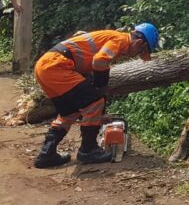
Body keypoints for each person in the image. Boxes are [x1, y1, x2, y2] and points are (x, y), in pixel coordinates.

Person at [33, 23, 159, 168]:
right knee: (95, 101)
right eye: (140, 51)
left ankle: (46, 154)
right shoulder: (121, 40)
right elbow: (99, 60)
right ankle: (88, 150)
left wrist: (99, 111)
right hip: (57, 66)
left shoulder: (112, 37)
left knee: (69, 113)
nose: (136, 55)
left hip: (45, 68)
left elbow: (89, 62)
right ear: (139, 43)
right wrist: (101, 87)